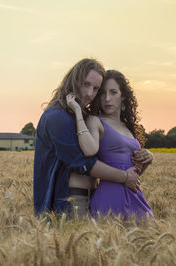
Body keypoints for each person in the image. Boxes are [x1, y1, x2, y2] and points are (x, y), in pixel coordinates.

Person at [33, 59, 141, 217]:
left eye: (96, 88)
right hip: (70, 201)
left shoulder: (83, 118)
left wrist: (143, 157)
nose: (90, 93)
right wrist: (124, 177)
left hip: (94, 197)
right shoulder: (57, 117)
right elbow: (82, 163)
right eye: (86, 84)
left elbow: (109, 155)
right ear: (73, 81)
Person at [66, 69, 153, 221]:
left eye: (113, 92)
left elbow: (135, 172)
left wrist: (148, 158)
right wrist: (78, 112)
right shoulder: (95, 121)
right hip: (109, 199)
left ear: (123, 96)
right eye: (102, 93)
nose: (107, 98)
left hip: (134, 196)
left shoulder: (128, 128)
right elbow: (89, 149)